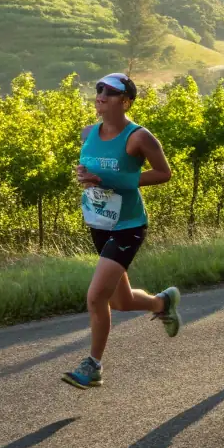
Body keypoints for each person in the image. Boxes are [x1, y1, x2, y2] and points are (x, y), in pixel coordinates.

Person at [63, 72, 182, 389]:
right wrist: (84, 176)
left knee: (95, 296)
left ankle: (93, 366)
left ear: (126, 101)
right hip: (99, 223)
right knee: (121, 301)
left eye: (110, 91)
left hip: (128, 226)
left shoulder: (139, 137)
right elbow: (93, 173)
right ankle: (162, 304)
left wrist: (112, 181)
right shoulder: (88, 133)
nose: (101, 94)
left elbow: (163, 173)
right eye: (98, 88)